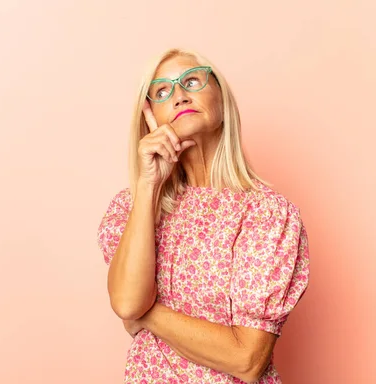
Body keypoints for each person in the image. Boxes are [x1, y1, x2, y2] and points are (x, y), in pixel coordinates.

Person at [97, 48, 310, 383]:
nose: (180, 96)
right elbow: (126, 304)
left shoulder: (265, 215)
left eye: (192, 81)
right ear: (150, 118)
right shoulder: (132, 206)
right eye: (163, 91)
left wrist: (146, 314)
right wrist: (149, 185)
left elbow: (246, 359)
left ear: (222, 102)